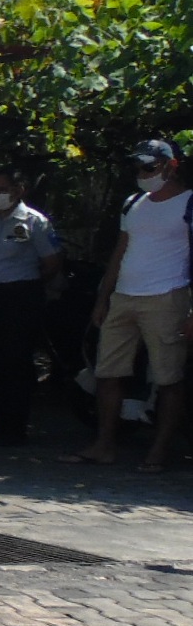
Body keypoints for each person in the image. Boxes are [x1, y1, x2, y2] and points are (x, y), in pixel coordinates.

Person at [64, 140, 193, 471]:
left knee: (167, 378)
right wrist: (102, 298)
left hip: (167, 297)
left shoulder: (189, 203)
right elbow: (120, 253)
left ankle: (159, 452)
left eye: (149, 167)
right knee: (108, 372)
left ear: (171, 165)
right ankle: (104, 444)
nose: (142, 174)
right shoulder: (133, 203)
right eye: (138, 168)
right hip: (123, 296)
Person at [0, 170, 62, 446]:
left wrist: (26, 286)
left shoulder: (35, 221)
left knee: (17, 362)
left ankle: (16, 426)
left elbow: (52, 262)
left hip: (20, 296)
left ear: (18, 190)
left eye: (3, 188)